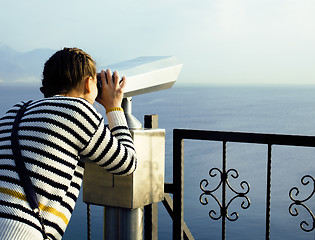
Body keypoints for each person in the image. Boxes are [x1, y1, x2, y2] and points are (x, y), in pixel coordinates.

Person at [0, 47, 137, 239]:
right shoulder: (77, 110)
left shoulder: (16, 111)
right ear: (89, 84)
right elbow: (127, 163)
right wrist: (114, 107)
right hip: (20, 233)